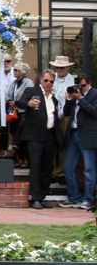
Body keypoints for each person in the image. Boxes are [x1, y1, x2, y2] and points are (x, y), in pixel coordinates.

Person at [17, 70, 61, 208]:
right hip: (35, 135)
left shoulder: (53, 97)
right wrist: (29, 104)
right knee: (36, 165)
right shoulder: (32, 90)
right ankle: (35, 198)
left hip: (50, 135)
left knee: (47, 167)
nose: (48, 83)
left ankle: (42, 196)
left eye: (51, 81)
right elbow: (20, 103)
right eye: (46, 80)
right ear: (41, 80)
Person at [60, 74, 95, 211]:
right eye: (79, 86)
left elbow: (94, 111)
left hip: (87, 135)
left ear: (89, 84)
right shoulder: (75, 95)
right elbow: (67, 113)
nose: (81, 89)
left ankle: (88, 200)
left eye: (83, 86)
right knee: (68, 167)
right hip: (73, 134)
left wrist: (81, 99)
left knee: (89, 169)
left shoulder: (94, 94)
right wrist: (69, 99)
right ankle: (74, 198)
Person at [49, 55, 76, 183]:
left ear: (67, 68)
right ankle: (53, 171)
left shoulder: (72, 81)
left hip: (65, 116)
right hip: (52, 114)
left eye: (62, 68)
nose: (60, 70)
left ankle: (61, 172)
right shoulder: (51, 79)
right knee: (52, 142)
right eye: (58, 68)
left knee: (63, 143)